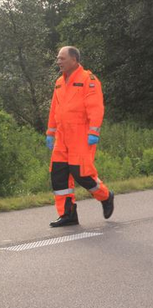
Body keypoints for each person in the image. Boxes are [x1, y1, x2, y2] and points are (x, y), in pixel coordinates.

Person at [46, 46, 114, 227]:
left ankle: (106, 196)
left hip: (81, 135)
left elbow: (95, 108)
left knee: (82, 173)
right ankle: (68, 214)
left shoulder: (88, 80)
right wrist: (50, 133)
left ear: (74, 60)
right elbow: (55, 109)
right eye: (57, 58)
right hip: (62, 136)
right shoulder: (59, 82)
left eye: (62, 58)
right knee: (58, 175)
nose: (58, 61)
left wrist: (94, 132)